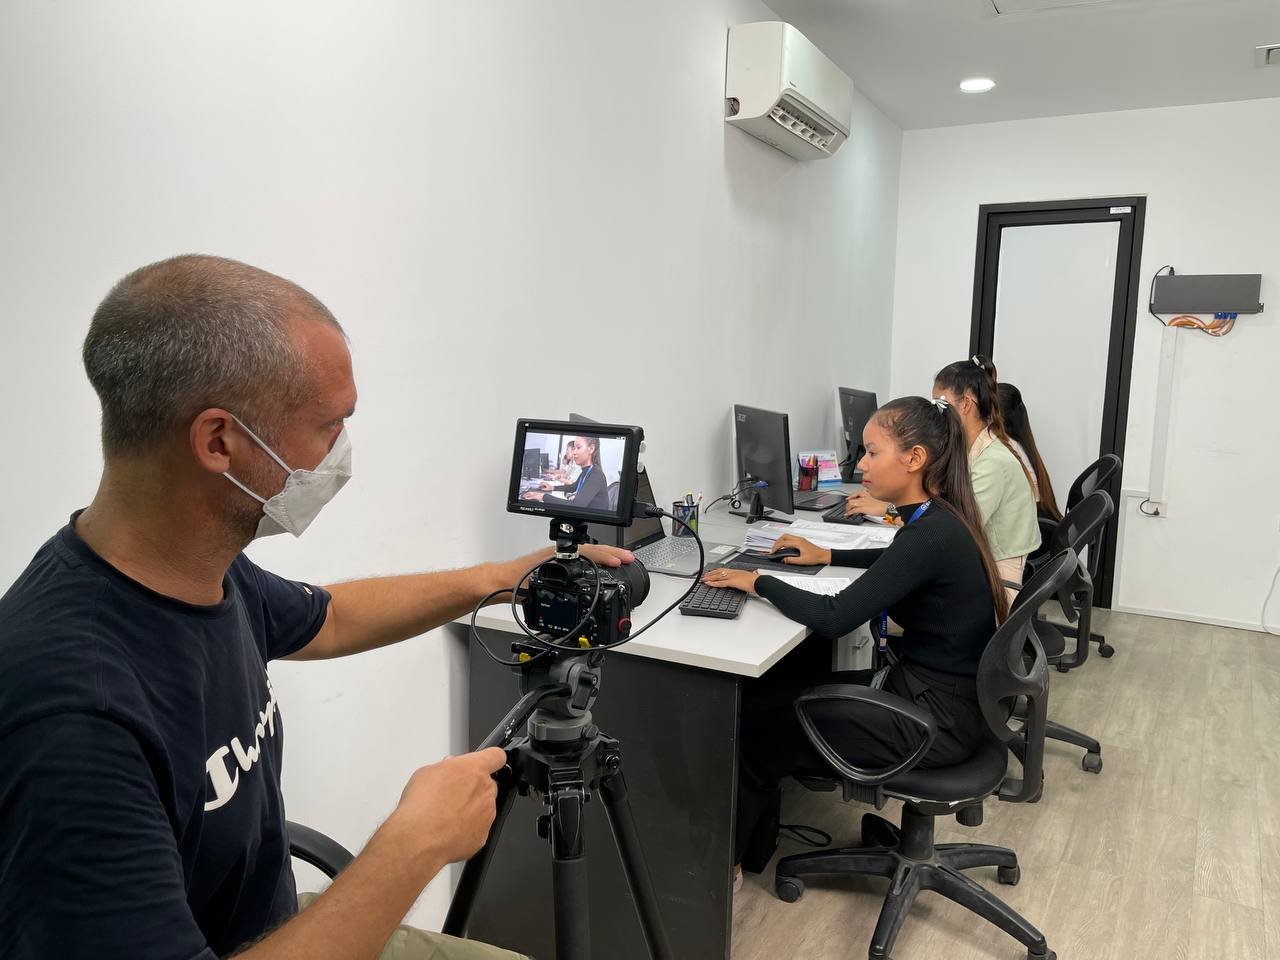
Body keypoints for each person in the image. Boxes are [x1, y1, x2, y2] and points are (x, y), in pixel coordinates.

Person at [0, 255, 633, 960]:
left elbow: (329, 618)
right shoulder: (72, 715)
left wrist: (499, 578)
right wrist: (412, 848)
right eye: (329, 424)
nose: (341, 451)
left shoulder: (200, 574)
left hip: (274, 919)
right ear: (219, 441)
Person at [705, 396, 1010, 888]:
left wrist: (756, 581)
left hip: (931, 723)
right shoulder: (940, 520)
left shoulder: (928, 536)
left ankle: (731, 869)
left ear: (914, 459)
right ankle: (753, 844)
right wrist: (827, 553)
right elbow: (896, 565)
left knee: (757, 720)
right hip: (949, 703)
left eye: (871, 453)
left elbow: (834, 617)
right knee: (782, 695)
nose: (860, 466)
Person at [997, 382, 1063, 522]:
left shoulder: (1006, 447)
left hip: (1032, 529)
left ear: (996, 415)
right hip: (1038, 522)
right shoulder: (1019, 443)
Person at [521, 436, 609, 511]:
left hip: (593, 526)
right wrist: (552, 487)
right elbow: (573, 487)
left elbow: (576, 506)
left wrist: (543, 497)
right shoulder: (587, 471)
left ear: (591, 449)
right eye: (574, 448)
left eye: (578, 448)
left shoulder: (596, 475)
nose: (574, 452)